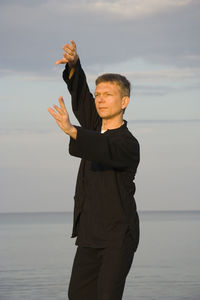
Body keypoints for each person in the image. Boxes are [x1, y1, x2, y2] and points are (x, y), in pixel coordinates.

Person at [48, 40, 140, 300]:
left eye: (107, 95)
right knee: (77, 295)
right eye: (98, 95)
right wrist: (74, 66)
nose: (100, 100)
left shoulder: (128, 144)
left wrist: (73, 131)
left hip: (118, 236)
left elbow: (103, 148)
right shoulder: (93, 126)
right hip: (89, 234)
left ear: (124, 102)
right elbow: (81, 96)